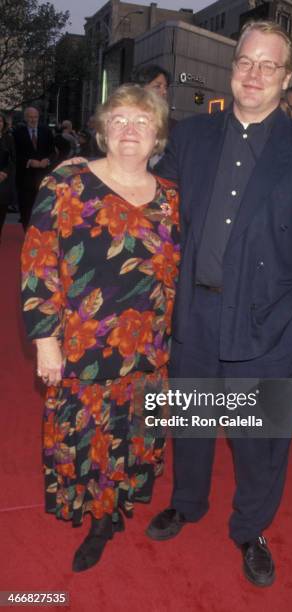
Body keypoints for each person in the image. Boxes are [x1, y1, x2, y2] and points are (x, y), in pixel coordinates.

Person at [145, 20, 292, 588]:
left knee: (260, 441)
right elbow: (152, 211)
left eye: (267, 65)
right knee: (193, 422)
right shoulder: (192, 138)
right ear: (231, 70)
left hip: (268, 325)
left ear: (287, 77)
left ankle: (250, 528)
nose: (253, 74)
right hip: (195, 316)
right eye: (245, 62)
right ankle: (187, 502)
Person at [20, 85, 180, 573]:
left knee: (129, 435)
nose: (130, 128)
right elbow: (38, 263)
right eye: (119, 119)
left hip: (147, 349)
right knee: (87, 436)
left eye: (142, 120)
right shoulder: (67, 182)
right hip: (83, 346)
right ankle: (95, 518)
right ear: (102, 129)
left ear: (157, 135)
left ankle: (111, 512)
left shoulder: (171, 197)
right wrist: (46, 341)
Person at [13, 107, 55, 230]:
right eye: (30, 117)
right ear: (25, 118)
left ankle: (41, 231)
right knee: (26, 207)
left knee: (43, 206)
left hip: (44, 177)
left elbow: (53, 151)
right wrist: (29, 162)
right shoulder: (17, 133)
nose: (33, 119)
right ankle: (27, 231)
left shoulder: (46, 131)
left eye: (35, 117)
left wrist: (47, 160)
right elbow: (15, 154)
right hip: (25, 177)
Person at [0, 112, 15, 239]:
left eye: (0, 121)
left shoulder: (8, 139)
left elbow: (13, 159)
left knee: (2, 207)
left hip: (4, 178)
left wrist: (5, 172)